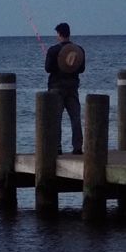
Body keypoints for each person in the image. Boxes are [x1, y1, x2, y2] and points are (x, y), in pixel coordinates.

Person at [45, 22, 85, 155]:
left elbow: (48, 68)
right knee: (75, 118)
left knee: (56, 118)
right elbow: (82, 69)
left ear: (59, 34)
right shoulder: (79, 50)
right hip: (73, 87)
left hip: (56, 87)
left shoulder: (53, 50)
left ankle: (57, 147)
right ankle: (78, 147)